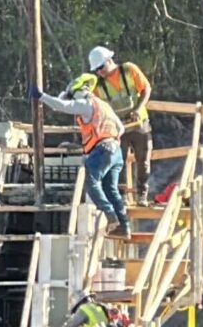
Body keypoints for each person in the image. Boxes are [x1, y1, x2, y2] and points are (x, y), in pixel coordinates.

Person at [35, 77, 130, 233]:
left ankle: (110, 215)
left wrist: (41, 96)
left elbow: (60, 105)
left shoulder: (85, 104)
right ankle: (124, 227)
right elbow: (121, 128)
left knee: (91, 183)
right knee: (111, 189)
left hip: (102, 150)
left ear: (76, 93)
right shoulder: (103, 105)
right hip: (115, 151)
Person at [85, 46, 155, 203]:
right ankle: (122, 196)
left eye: (101, 67)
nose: (99, 72)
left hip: (139, 125)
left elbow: (146, 89)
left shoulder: (129, 70)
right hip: (117, 129)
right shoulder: (98, 85)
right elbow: (95, 106)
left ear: (109, 60)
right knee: (118, 162)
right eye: (96, 70)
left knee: (143, 161)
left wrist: (137, 109)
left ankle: (142, 194)